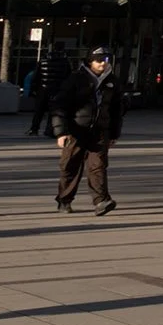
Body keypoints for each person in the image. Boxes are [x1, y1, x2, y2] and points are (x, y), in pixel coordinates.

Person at [50, 46, 126, 216]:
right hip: (76, 129)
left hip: (99, 131)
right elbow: (60, 106)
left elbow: (116, 110)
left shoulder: (112, 81)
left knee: (98, 166)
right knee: (70, 166)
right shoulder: (76, 79)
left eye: (106, 61)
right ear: (90, 61)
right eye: (99, 61)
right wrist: (61, 132)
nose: (103, 64)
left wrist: (114, 134)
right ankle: (64, 199)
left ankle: (101, 201)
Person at [26, 44, 63, 137]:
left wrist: (33, 89)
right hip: (56, 90)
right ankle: (50, 130)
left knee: (39, 111)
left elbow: (36, 76)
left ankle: (34, 129)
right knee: (53, 111)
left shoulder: (43, 61)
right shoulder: (63, 62)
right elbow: (67, 77)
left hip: (42, 89)